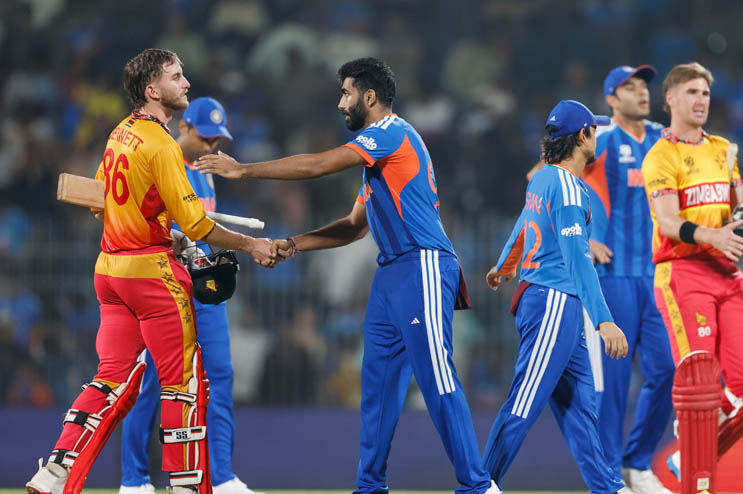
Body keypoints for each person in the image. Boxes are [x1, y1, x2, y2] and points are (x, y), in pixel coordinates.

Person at [194, 57, 499, 494]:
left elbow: (318, 165)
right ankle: (370, 487)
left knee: (437, 376)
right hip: (392, 273)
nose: (340, 103)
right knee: (377, 388)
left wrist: (244, 169)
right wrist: (295, 243)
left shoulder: (391, 132)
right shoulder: (378, 161)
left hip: (424, 265)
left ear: (369, 97)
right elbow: (355, 226)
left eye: (346, 93)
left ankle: (479, 486)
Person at [25, 49, 276, 494]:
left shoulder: (119, 133)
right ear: (152, 90)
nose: (186, 83)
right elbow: (198, 225)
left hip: (110, 273)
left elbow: (100, 203)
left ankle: (56, 470)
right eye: (176, 77)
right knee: (184, 384)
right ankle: (185, 485)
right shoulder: (162, 145)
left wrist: (163, 231)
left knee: (110, 379)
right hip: (151, 276)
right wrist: (250, 243)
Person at [640, 62, 743, 479]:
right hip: (682, 272)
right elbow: (667, 221)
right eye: (692, 92)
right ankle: (695, 446)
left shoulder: (724, 150)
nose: (701, 100)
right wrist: (713, 237)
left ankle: (692, 447)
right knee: (701, 384)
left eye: (705, 93)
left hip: (728, 274)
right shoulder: (661, 156)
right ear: (670, 98)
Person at [483, 99, 630, 494]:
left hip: (554, 302)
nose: (596, 136)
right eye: (593, 130)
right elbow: (578, 259)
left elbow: (524, 222)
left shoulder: (544, 178)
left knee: (581, 409)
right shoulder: (568, 188)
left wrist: (505, 264)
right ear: (582, 136)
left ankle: (608, 488)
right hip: (553, 301)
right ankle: (480, 484)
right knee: (525, 398)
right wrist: (604, 320)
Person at [118, 96, 263, 494]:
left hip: (202, 285)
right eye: (205, 137)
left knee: (220, 375)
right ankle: (134, 481)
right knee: (150, 380)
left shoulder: (204, 169)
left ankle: (222, 477)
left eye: (217, 140)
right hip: (163, 284)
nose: (211, 145)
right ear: (183, 127)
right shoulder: (159, 160)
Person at [579, 65, 674, 494]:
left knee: (667, 370)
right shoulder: (598, 140)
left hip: (656, 277)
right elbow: (544, 179)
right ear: (611, 100)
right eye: (629, 87)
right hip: (611, 276)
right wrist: (581, 237)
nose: (641, 92)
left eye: (644, 86)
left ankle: (637, 463)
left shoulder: (663, 140)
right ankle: (608, 479)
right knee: (613, 386)